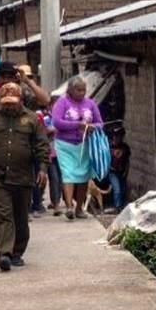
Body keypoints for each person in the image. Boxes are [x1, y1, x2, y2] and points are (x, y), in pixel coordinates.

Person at [0, 83, 49, 272]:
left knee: (20, 218)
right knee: (3, 215)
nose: (9, 106)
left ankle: (17, 252)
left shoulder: (32, 119)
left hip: (23, 177)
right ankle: (5, 254)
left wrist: (42, 168)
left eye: (12, 103)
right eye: (5, 103)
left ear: (20, 101)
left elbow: (41, 145)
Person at [51, 76, 104, 220]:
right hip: (65, 144)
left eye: (83, 90)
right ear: (70, 90)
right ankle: (69, 207)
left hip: (84, 144)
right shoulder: (62, 102)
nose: (81, 93)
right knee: (68, 174)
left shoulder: (90, 103)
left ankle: (79, 208)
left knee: (83, 176)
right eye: (78, 90)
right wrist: (76, 125)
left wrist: (93, 127)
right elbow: (56, 122)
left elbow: (100, 122)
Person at [107, 126, 130, 213]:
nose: (117, 138)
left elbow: (127, 161)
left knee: (123, 190)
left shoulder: (125, 148)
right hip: (112, 172)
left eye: (120, 136)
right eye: (116, 136)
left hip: (122, 171)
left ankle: (121, 206)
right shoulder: (108, 147)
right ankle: (117, 207)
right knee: (117, 189)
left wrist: (126, 171)